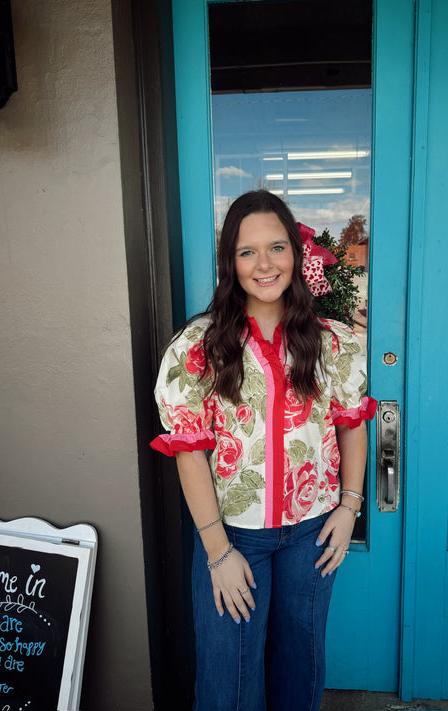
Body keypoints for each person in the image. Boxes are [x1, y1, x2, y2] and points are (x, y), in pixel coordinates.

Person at [151, 190, 377, 711]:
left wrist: (349, 508)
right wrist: (217, 552)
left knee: (301, 669)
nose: (264, 264)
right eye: (247, 251)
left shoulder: (333, 343)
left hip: (312, 535)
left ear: (295, 254)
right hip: (234, 540)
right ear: (230, 262)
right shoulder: (198, 347)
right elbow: (189, 451)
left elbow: (352, 427)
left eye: (276, 247)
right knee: (228, 682)